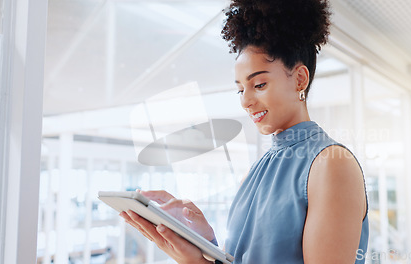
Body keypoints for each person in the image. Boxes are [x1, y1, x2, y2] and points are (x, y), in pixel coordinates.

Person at [120, 0, 369, 263]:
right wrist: (204, 241)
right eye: (240, 89)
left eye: (259, 84)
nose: (245, 101)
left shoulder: (331, 165)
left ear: (299, 79)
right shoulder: (254, 172)